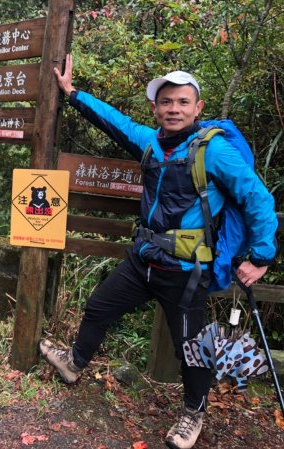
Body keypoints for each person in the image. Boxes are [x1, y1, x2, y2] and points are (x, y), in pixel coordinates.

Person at [39, 54, 278, 449]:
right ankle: (74, 362)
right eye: (166, 102)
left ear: (198, 108)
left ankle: (192, 414)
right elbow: (116, 122)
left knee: (193, 351)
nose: (174, 108)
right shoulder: (150, 142)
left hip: (187, 271)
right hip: (143, 259)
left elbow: (258, 198)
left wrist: (261, 256)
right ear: (155, 107)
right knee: (99, 305)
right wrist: (73, 93)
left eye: (183, 102)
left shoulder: (213, 151)